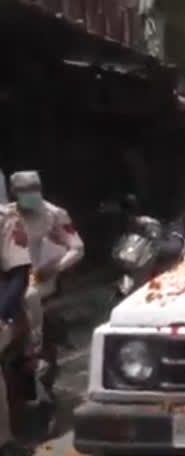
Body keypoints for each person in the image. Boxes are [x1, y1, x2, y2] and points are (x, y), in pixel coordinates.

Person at [1, 171, 84, 426]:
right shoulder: (8, 216)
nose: (30, 194)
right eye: (24, 190)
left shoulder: (53, 215)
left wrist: (56, 266)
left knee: (30, 296)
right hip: (13, 276)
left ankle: (32, 353)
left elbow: (77, 247)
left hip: (40, 277)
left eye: (34, 188)